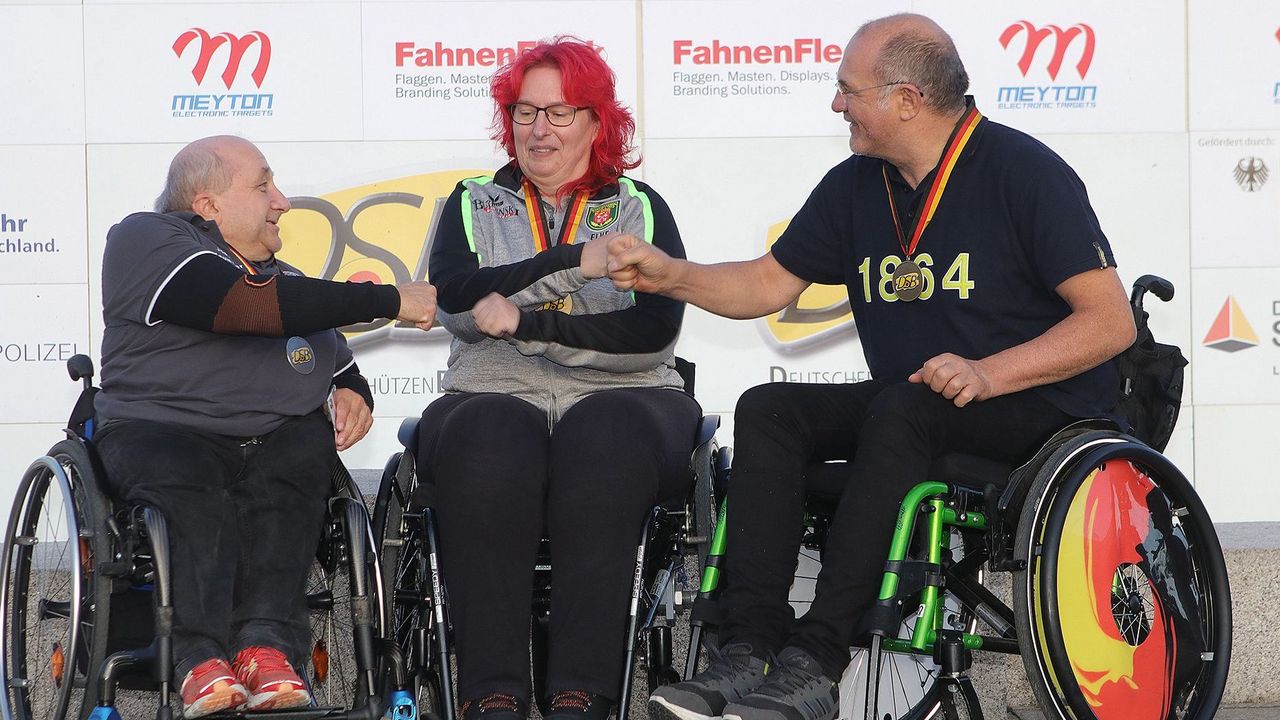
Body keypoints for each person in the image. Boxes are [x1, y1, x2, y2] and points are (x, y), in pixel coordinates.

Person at [609, 13, 1136, 720]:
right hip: (918, 400)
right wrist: (670, 274)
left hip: (1038, 404)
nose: (836, 104)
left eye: (847, 90)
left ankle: (816, 659)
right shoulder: (859, 184)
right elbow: (767, 285)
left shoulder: (1025, 173)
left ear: (907, 100)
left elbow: (1109, 322)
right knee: (772, 410)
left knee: (903, 407)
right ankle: (748, 650)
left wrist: (988, 373)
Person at [93, 135, 437, 718]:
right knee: (196, 486)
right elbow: (242, 306)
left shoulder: (287, 278)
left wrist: (353, 390)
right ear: (207, 205)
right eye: (263, 185)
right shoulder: (148, 238)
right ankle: (198, 658)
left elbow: (336, 357)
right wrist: (387, 298)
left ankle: (266, 651)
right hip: (163, 431)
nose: (282, 201)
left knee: (300, 457)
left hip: (272, 441)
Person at [420, 37, 700, 720]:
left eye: (559, 113)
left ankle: (582, 692)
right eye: (524, 112)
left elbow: (650, 331)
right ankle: (492, 693)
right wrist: (579, 264)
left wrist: (527, 321)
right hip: (492, 391)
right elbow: (458, 296)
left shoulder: (638, 206)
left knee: (602, 436)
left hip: (623, 397)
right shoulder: (471, 203)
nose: (537, 129)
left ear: (597, 123)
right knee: (489, 431)